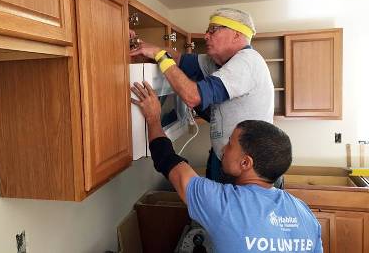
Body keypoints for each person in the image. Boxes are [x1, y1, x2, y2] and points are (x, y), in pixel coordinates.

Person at [130, 81, 323, 253]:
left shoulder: (225, 205)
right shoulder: (304, 212)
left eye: (230, 144)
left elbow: (167, 160)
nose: (223, 148)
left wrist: (153, 118)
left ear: (246, 163)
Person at [130, 8, 276, 185]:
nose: (206, 35)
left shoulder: (246, 62)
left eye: (213, 30)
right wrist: (140, 45)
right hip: (223, 158)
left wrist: (159, 55)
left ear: (237, 34)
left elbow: (193, 96)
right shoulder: (217, 62)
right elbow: (179, 59)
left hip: (247, 172)